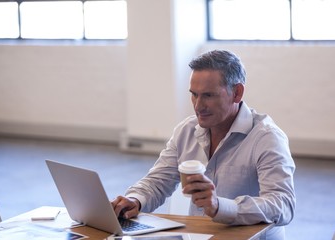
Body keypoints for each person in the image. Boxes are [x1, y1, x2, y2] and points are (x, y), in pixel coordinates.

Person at [111, 50, 296, 239]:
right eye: (194, 94)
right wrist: (135, 200)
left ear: (237, 93)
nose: (198, 106)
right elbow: (158, 181)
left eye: (208, 95)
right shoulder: (186, 130)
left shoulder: (267, 138)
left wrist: (220, 206)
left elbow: (282, 204)